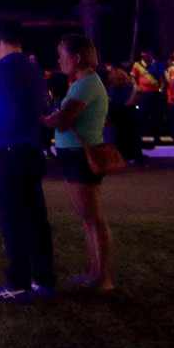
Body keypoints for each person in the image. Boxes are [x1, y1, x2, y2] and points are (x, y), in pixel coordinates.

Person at [0, 21, 56, 302]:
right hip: (32, 150)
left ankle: (17, 282)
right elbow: (43, 104)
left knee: (10, 218)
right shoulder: (33, 69)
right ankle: (43, 280)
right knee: (35, 216)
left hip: (4, 153)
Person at [41, 34, 115, 292]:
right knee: (88, 218)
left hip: (79, 157)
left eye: (62, 55)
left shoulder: (86, 85)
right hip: (75, 155)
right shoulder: (84, 83)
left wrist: (42, 118)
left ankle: (102, 277)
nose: (59, 61)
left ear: (77, 58)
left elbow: (64, 118)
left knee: (92, 218)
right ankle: (94, 272)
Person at [105, 62, 146, 165]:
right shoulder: (127, 86)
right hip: (124, 113)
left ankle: (127, 156)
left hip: (123, 114)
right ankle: (130, 156)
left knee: (123, 137)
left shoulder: (120, 87)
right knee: (127, 136)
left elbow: (119, 101)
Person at [130, 49, 166, 146]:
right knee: (141, 116)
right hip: (143, 94)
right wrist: (136, 87)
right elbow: (133, 78)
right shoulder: (137, 65)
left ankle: (156, 137)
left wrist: (161, 89)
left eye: (147, 54)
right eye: (143, 55)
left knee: (156, 117)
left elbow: (162, 78)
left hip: (155, 94)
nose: (145, 56)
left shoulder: (158, 65)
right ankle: (139, 138)